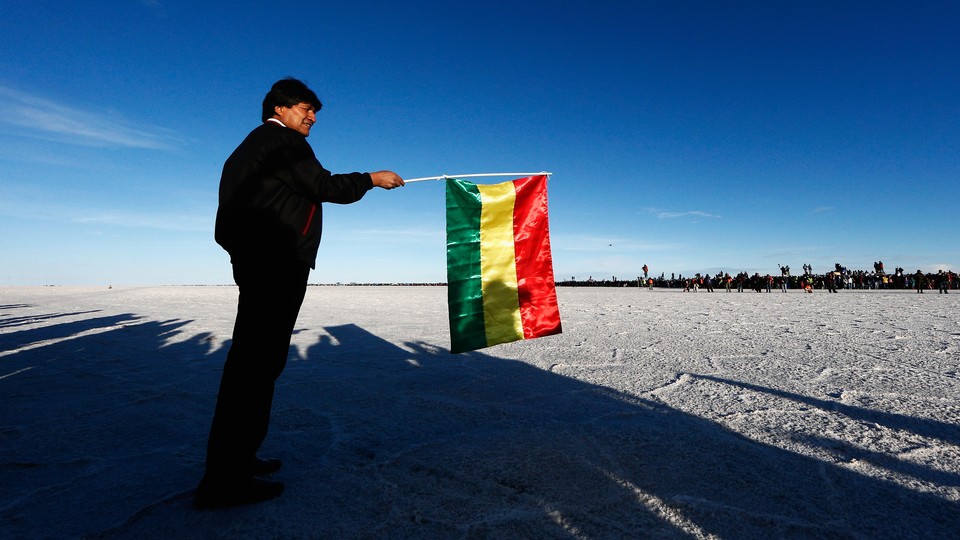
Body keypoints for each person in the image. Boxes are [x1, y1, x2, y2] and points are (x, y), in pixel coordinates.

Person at [194, 78, 404, 509]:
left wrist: (246, 254)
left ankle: (238, 460)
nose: (312, 117)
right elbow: (323, 186)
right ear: (281, 108)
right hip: (275, 266)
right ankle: (225, 481)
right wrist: (371, 178)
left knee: (257, 364)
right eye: (306, 108)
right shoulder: (281, 140)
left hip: (261, 264)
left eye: (314, 112)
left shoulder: (251, 147)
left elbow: (228, 222)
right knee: (254, 367)